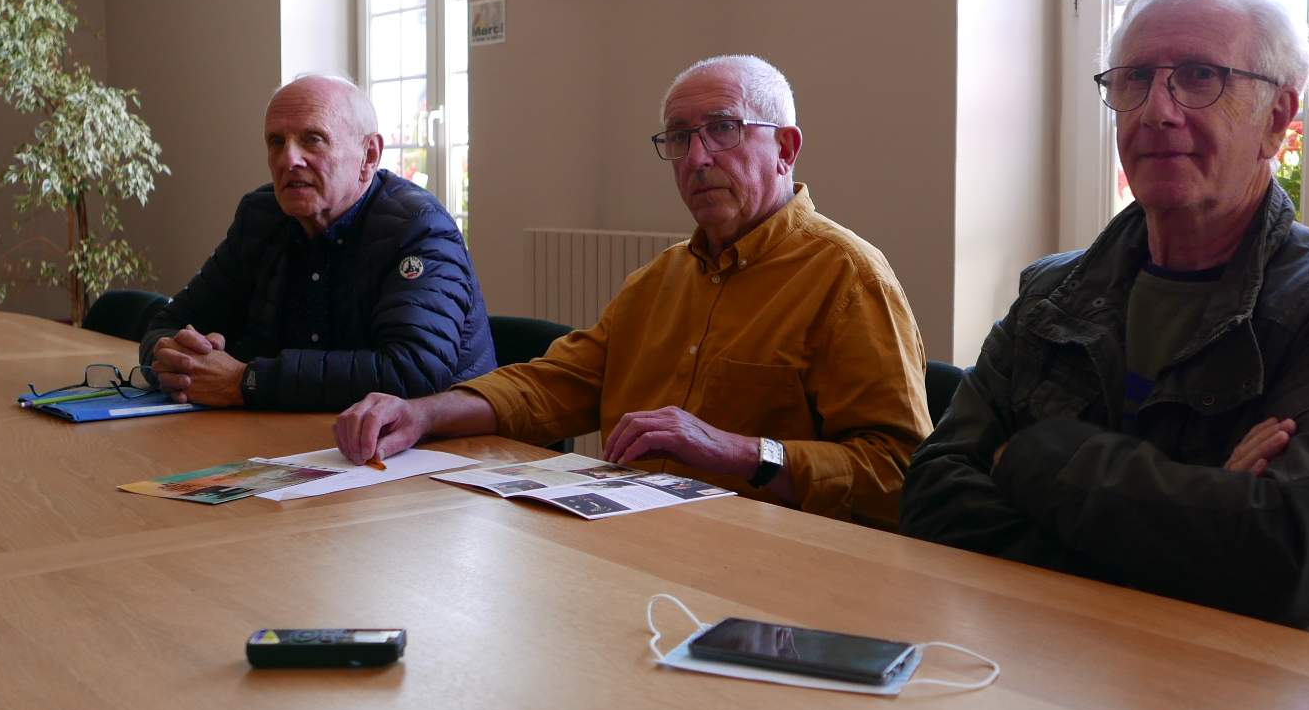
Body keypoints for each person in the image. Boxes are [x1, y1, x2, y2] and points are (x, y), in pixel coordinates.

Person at [899, 0, 1309, 657]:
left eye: (1199, 76)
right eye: (1134, 79)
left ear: (1277, 118)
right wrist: (1198, 521)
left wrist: (1036, 457)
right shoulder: (1052, 293)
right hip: (1059, 665)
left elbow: (1293, 560)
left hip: (1287, 699)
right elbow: (931, 497)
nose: (1157, 110)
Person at [333, 55, 931, 527]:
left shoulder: (848, 277)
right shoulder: (659, 280)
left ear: (786, 149)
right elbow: (554, 385)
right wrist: (421, 413)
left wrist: (739, 451)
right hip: (634, 540)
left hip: (767, 565)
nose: (697, 158)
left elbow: (899, 472)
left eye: (723, 129)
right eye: (679, 137)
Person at [140, 74, 494, 411]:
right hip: (288, 436)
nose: (288, 159)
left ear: (369, 155)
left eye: (313, 139)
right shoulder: (260, 217)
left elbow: (413, 372)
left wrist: (247, 381)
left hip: (433, 447)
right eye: (276, 142)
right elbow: (164, 327)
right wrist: (181, 361)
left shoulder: (418, 227)